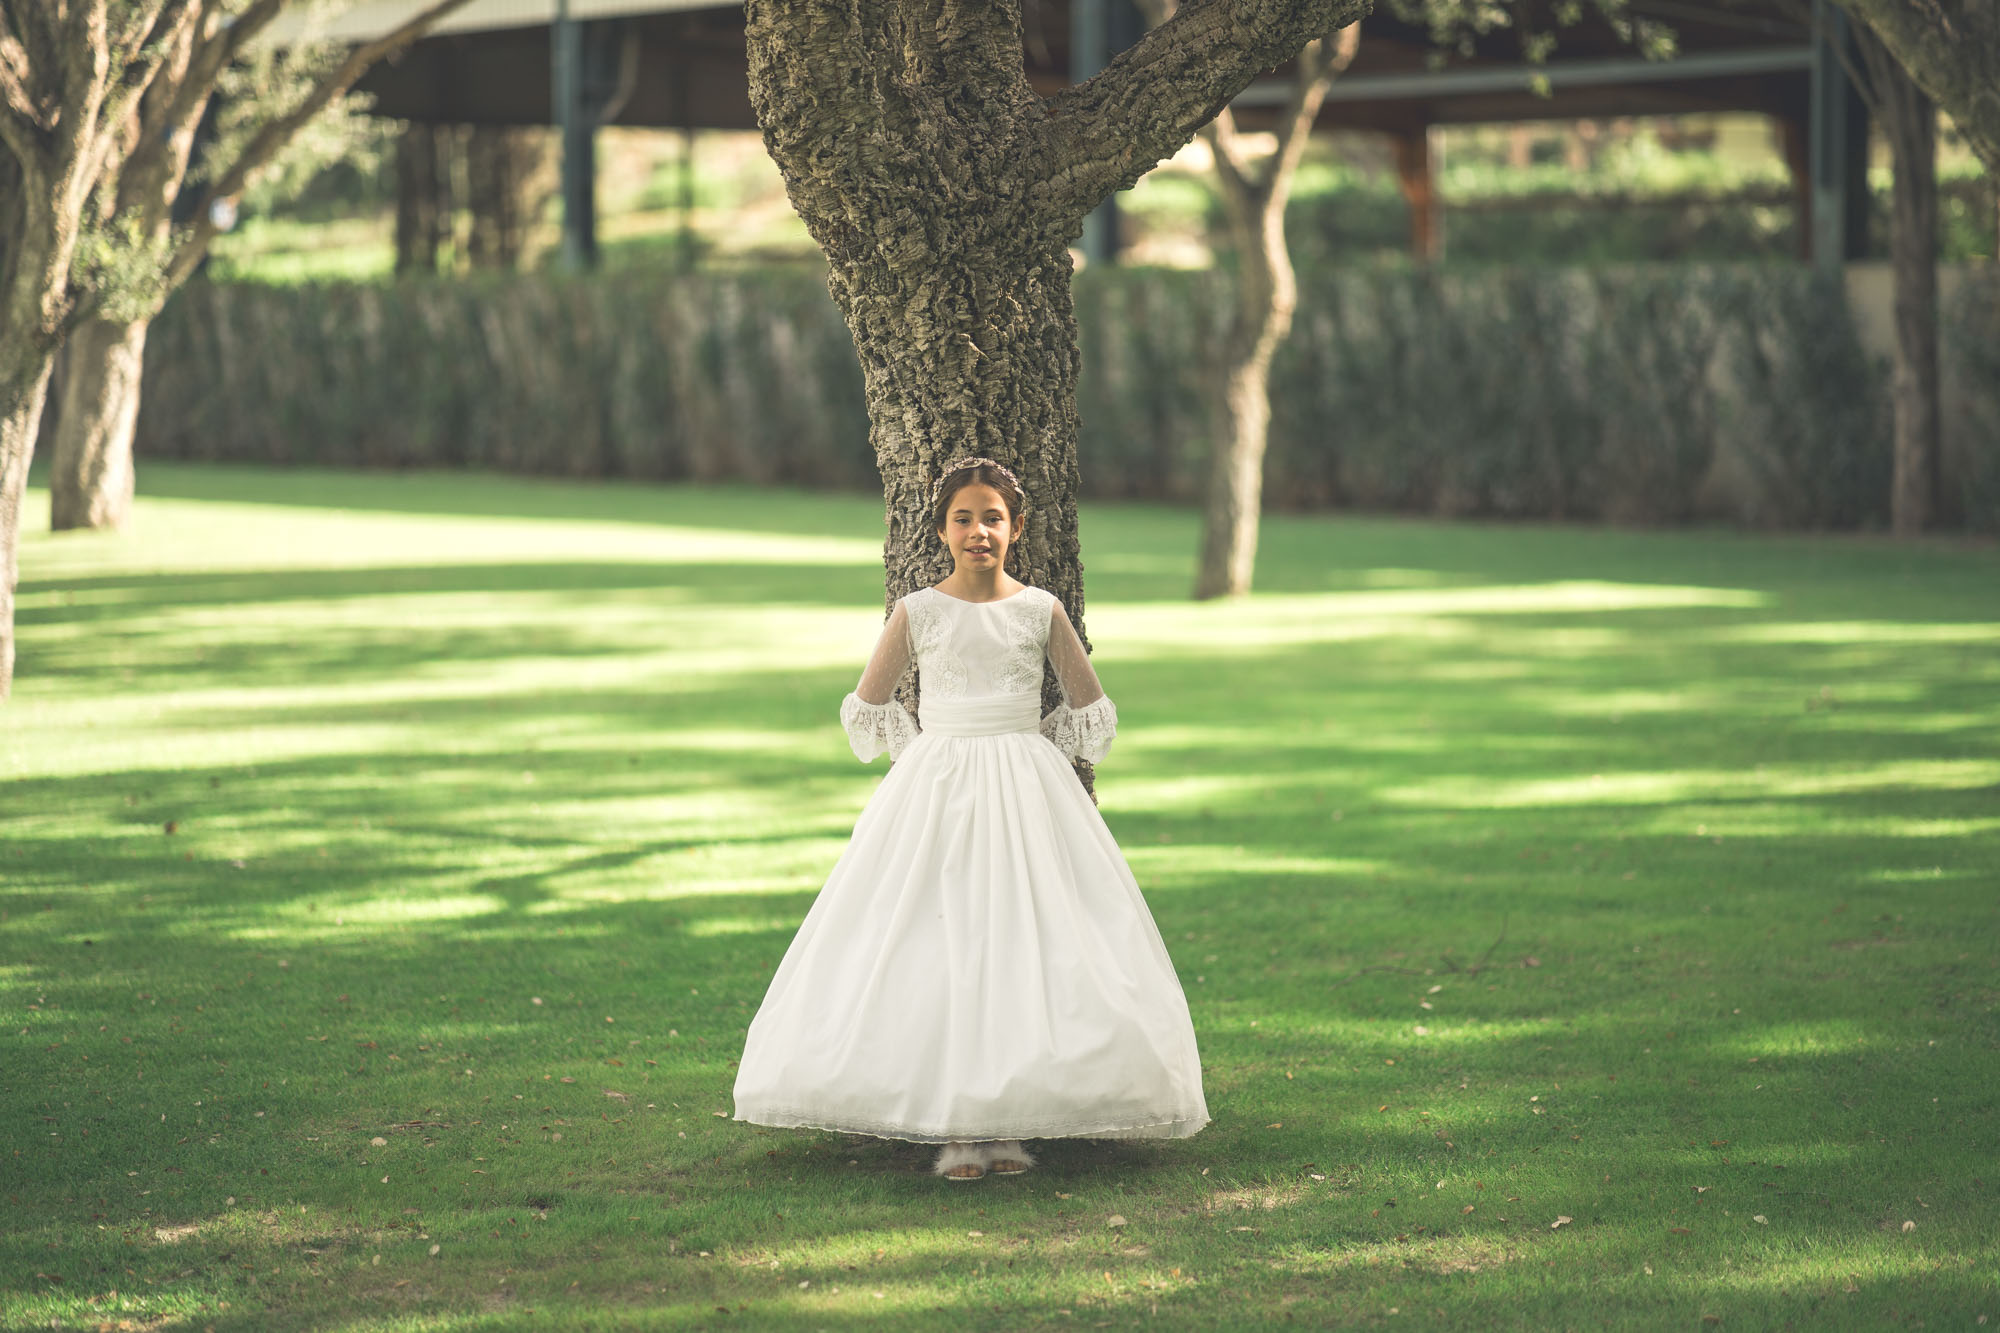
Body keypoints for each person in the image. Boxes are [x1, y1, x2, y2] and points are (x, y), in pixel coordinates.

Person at [732, 456, 1208, 1180]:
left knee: (1021, 940)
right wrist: (921, 755)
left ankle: (1011, 1117)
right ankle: (956, 1126)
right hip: (939, 783)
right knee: (940, 937)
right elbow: (866, 705)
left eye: (992, 517)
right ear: (942, 529)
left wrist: (1032, 748)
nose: (978, 530)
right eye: (964, 517)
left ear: (1015, 528)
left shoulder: (1039, 609)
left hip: (1025, 784)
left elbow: (1091, 708)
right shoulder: (917, 612)